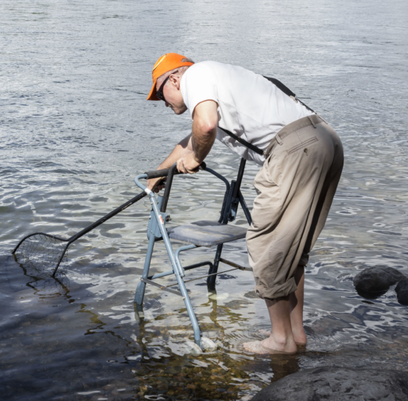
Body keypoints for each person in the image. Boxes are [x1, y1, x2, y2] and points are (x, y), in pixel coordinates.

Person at [146, 53, 343, 355]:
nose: (162, 102)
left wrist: (197, 158)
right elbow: (191, 139)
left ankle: (280, 341)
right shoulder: (220, 78)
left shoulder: (195, 76)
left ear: (174, 78)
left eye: (160, 94)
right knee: (293, 247)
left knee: (267, 244)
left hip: (294, 150)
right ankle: (295, 334)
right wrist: (158, 175)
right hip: (324, 140)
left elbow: (206, 126)